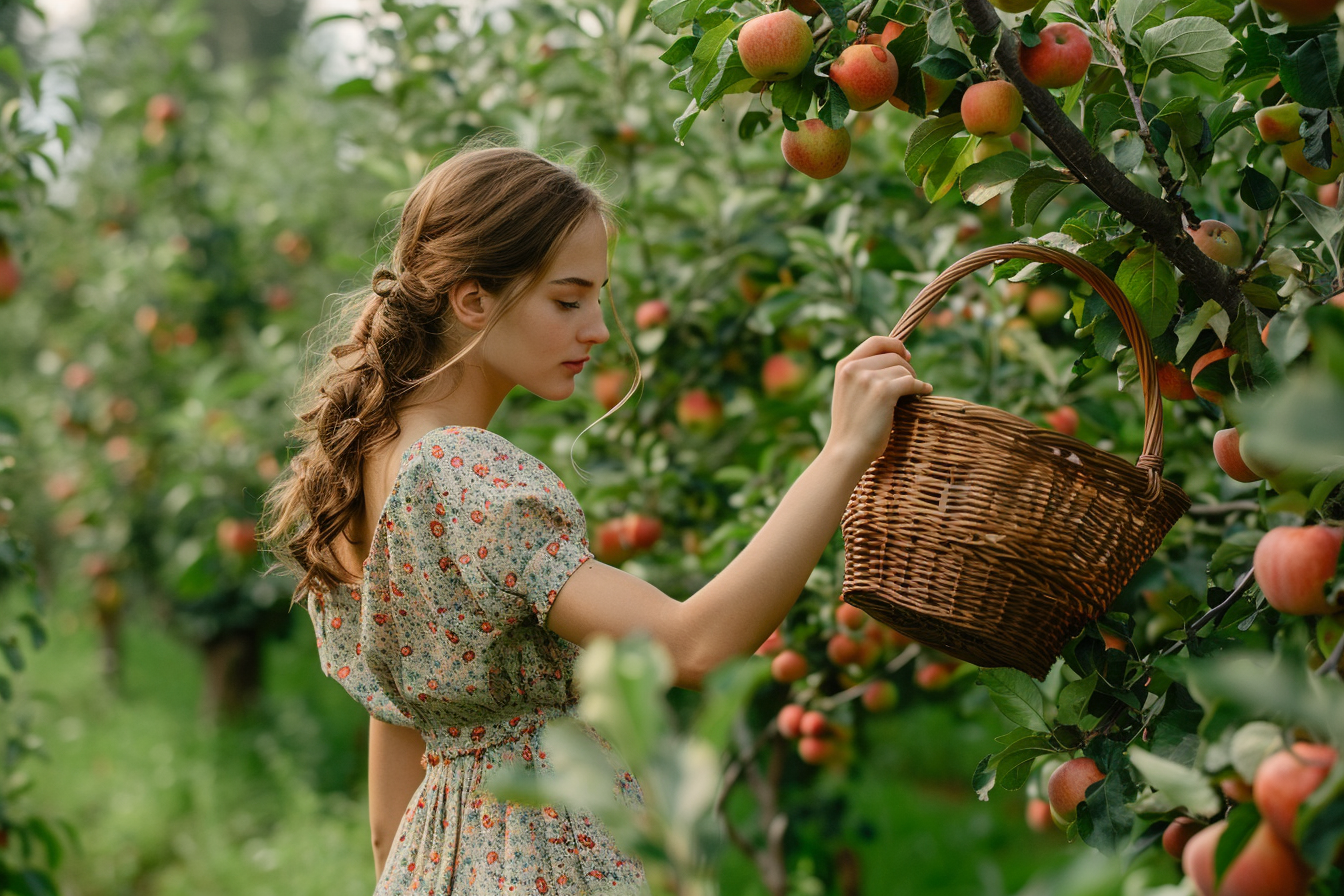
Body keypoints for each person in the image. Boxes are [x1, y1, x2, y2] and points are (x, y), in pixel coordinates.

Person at [261, 138, 931, 895]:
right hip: (542, 856)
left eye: (597, 297)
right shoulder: (462, 473)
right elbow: (695, 646)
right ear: (473, 299)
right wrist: (842, 451)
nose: (598, 329)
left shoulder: (364, 467)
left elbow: (392, 792)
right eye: (568, 299)